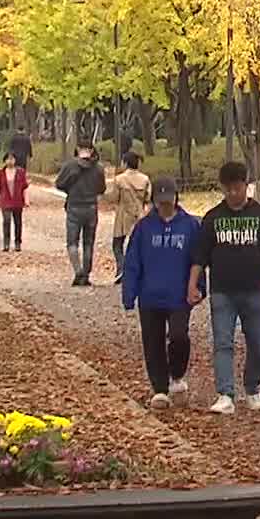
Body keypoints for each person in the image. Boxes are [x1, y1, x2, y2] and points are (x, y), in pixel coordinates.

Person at [187, 161, 260, 415]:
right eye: (228, 189)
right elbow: (200, 255)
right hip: (222, 290)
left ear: (246, 186)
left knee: (256, 341)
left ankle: (252, 388)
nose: (233, 193)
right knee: (223, 342)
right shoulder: (213, 218)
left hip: (253, 289)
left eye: (238, 188)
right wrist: (192, 285)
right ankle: (225, 393)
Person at [124, 178, 206, 408]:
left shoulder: (190, 225)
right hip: (150, 295)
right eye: (160, 203)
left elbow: (197, 259)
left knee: (179, 336)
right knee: (152, 341)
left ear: (176, 199)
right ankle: (159, 388)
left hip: (179, 295)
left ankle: (177, 374)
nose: (165, 206)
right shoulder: (143, 228)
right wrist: (129, 294)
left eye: (168, 201)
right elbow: (133, 262)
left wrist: (199, 287)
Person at [56, 142, 107, 286]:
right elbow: (102, 188)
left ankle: (78, 270)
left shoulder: (70, 165)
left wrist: (70, 189)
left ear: (77, 149)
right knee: (88, 242)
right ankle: (86, 273)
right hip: (91, 207)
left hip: (74, 206)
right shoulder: (98, 168)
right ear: (91, 150)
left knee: (72, 242)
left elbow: (59, 183)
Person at [108, 152, 152, 284]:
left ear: (125, 163)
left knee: (117, 243)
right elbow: (148, 199)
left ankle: (121, 268)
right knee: (138, 245)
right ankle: (138, 270)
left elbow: (114, 198)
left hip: (123, 215)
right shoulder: (145, 179)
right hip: (139, 215)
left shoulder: (119, 179)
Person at [0, 152, 28, 252]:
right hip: (5, 201)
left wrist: (26, 200)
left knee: (18, 222)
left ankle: (17, 242)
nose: (10, 161)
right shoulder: (1, 173)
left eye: (12, 159)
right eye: (8, 159)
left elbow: (24, 187)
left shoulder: (21, 172)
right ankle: (6, 243)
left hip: (17, 201)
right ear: (4, 160)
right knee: (6, 221)